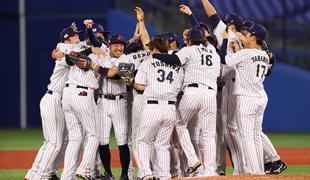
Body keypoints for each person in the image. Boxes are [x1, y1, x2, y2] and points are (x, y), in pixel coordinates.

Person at [134, 36, 184, 180]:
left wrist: (131, 81)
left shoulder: (148, 62)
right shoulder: (176, 64)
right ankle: (164, 175)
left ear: (154, 49)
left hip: (152, 106)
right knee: (162, 144)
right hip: (170, 108)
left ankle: (146, 173)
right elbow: (178, 87)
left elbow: (140, 85)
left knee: (143, 141)